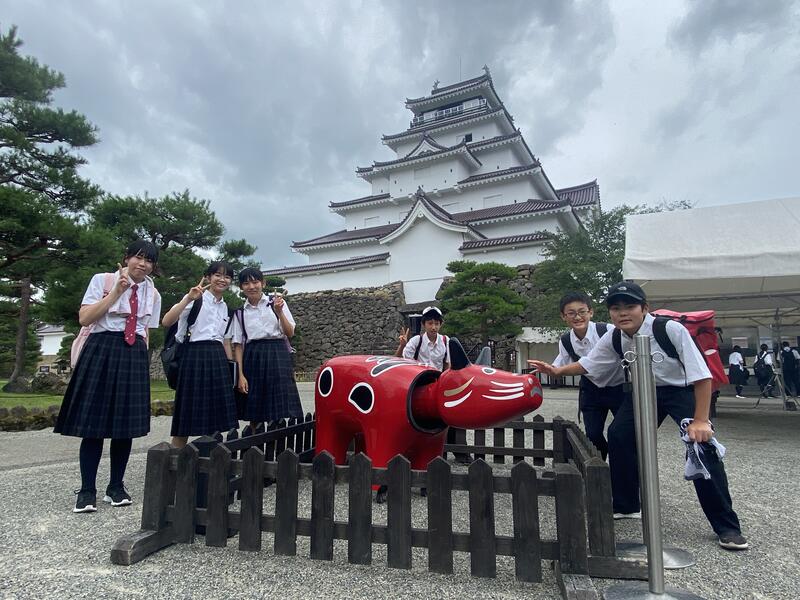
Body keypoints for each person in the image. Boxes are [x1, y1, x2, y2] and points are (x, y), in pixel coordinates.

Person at [528, 281, 748, 550]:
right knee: (619, 436)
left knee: (700, 447)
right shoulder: (615, 337)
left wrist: (701, 420)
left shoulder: (669, 329)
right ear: (609, 313)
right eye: (616, 308)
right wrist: (557, 371)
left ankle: (727, 526)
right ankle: (627, 503)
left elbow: (701, 376)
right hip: (643, 391)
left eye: (630, 306)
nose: (623, 313)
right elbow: (588, 364)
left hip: (680, 391)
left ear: (644, 308)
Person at [55, 240, 162, 513]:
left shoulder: (153, 293)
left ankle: (116, 486)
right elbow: (85, 318)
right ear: (126, 258)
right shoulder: (102, 280)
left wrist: (140, 359)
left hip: (133, 352)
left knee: (124, 426)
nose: (143, 264)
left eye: (148, 260)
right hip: (102, 348)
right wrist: (116, 292)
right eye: (138, 257)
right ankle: (87, 489)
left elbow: (145, 329)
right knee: (94, 424)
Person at [162, 261, 238, 449]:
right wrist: (188, 298)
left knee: (215, 417)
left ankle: (210, 462)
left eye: (227, 276)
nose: (222, 279)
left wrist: (230, 366)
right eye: (218, 275)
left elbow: (225, 340)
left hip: (217, 358)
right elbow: (166, 321)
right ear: (208, 277)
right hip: (194, 356)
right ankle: (174, 463)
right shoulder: (195, 299)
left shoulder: (225, 307)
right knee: (185, 417)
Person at [551, 292, 623, 461]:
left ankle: (622, 466)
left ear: (591, 312)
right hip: (591, 389)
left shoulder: (608, 330)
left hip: (619, 387)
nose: (577, 317)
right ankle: (599, 468)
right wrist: (549, 369)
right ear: (563, 316)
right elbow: (561, 362)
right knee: (592, 434)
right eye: (571, 313)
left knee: (621, 432)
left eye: (582, 311)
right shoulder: (566, 340)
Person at [231, 267, 303, 432]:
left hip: (277, 353)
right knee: (254, 407)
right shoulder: (240, 312)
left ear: (263, 283)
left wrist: (279, 313)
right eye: (246, 283)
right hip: (253, 356)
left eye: (255, 282)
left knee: (279, 405)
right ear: (241, 287)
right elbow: (238, 346)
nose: (251, 286)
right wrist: (240, 375)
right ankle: (254, 445)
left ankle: (278, 447)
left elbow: (290, 332)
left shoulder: (276, 303)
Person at [397, 306, 450, 370]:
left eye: (436, 324)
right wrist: (402, 346)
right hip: (420, 378)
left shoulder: (445, 341)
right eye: (430, 323)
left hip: (438, 378)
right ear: (423, 324)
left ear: (440, 325)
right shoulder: (416, 341)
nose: (433, 327)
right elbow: (399, 360)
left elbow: (447, 364)